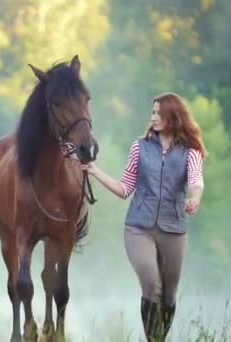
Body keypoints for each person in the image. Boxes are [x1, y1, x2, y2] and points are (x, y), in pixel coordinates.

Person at [81, 92, 206, 341]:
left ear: (173, 115)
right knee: (152, 286)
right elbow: (125, 188)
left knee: (169, 294)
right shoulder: (140, 146)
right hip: (139, 228)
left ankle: (158, 339)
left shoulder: (190, 151)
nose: (153, 117)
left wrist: (196, 199)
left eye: (159, 113)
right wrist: (95, 171)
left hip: (173, 230)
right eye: (152, 113)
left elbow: (195, 181)